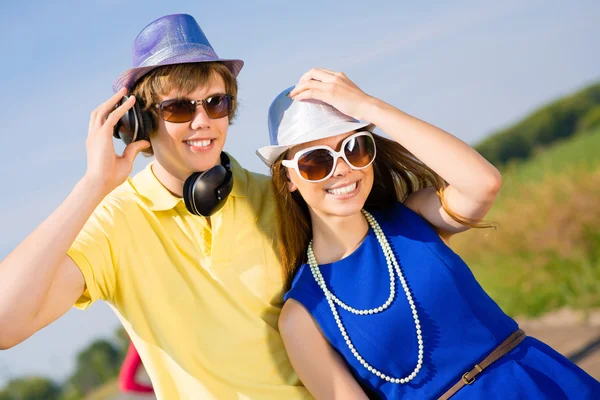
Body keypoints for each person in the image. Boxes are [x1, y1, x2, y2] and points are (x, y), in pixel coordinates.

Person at [0, 14, 311, 399]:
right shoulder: (115, 223)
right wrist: (92, 185)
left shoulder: (281, 197)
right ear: (139, 122)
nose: (203, 121)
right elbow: (4, 325)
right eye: (179, 108)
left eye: (216, 103)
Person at [256, 69, 600, 399]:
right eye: (316, 161)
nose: (343, 169)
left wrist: (368, 106)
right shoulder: (302, 314)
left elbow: (483, 183)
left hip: (540, 382)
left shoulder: (414, 218)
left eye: (354, 147)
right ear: (288, 179)